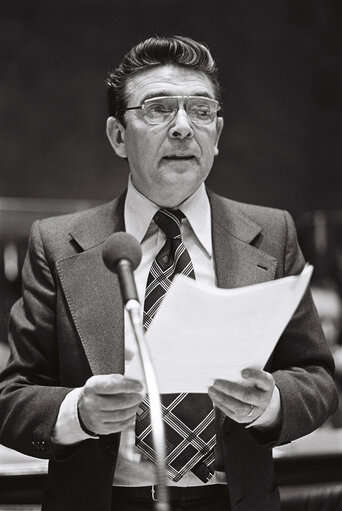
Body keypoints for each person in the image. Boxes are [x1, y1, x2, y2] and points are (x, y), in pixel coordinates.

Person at [0, 36, 338, 511]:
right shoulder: (57, 243)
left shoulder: (271, 233)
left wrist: (272, 402)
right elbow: (11, 395)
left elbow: (317, 376)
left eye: (201, 111)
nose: (183, 127)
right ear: (119, 136)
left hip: (234, 499)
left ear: (217, 135)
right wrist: (78, 412)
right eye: (158, 109)